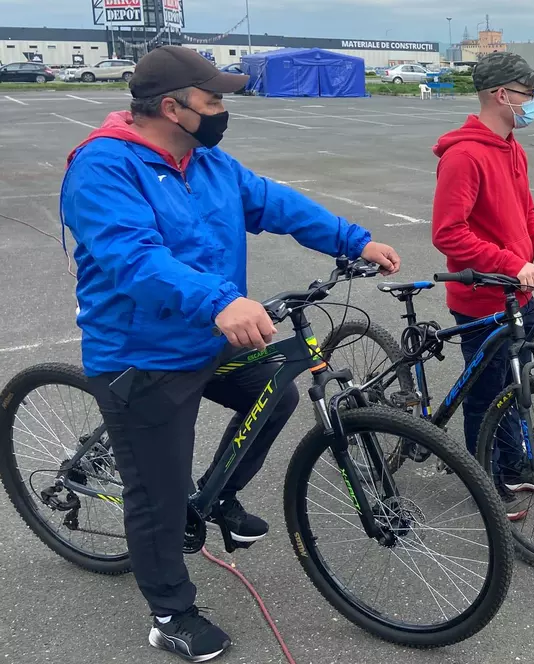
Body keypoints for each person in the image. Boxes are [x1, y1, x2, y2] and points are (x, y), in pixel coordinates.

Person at [60, 46, 400, 662]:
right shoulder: (104, 168)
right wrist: (221, 301)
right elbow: (135, 260)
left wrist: (354, 239)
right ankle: (169, 613)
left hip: (209, 338)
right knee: (157, 494)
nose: (222, 110)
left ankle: (217, 496)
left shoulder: (207, 161)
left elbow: (275, 203)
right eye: (213, 100)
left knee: (276, 393)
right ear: (173, 107)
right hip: (143, 354)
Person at [431, 52, 534, 515]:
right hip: (482, 300)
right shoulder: (464, 155)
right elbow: (448, 232)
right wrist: (510, 264)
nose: (532, 102)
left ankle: (514, 467)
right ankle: (484, 482)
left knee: (517, 389)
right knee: (485, 395)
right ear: (502, 95)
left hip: (519, 296)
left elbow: (526, 217)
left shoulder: (511, 147)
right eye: (528, 94)